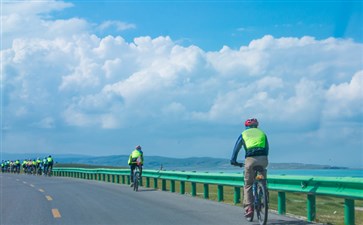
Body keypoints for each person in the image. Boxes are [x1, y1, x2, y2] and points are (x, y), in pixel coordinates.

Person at [230, 118, 269, 218]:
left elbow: (236, 149)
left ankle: (249, 208)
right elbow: (267, 148)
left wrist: (233, 161)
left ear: (246, 126)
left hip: (250, 160)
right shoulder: (262, 133)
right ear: (256, 126)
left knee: (248, 184)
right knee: (263, 179)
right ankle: (264, 195)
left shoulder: (244, 134)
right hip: (263, 159)